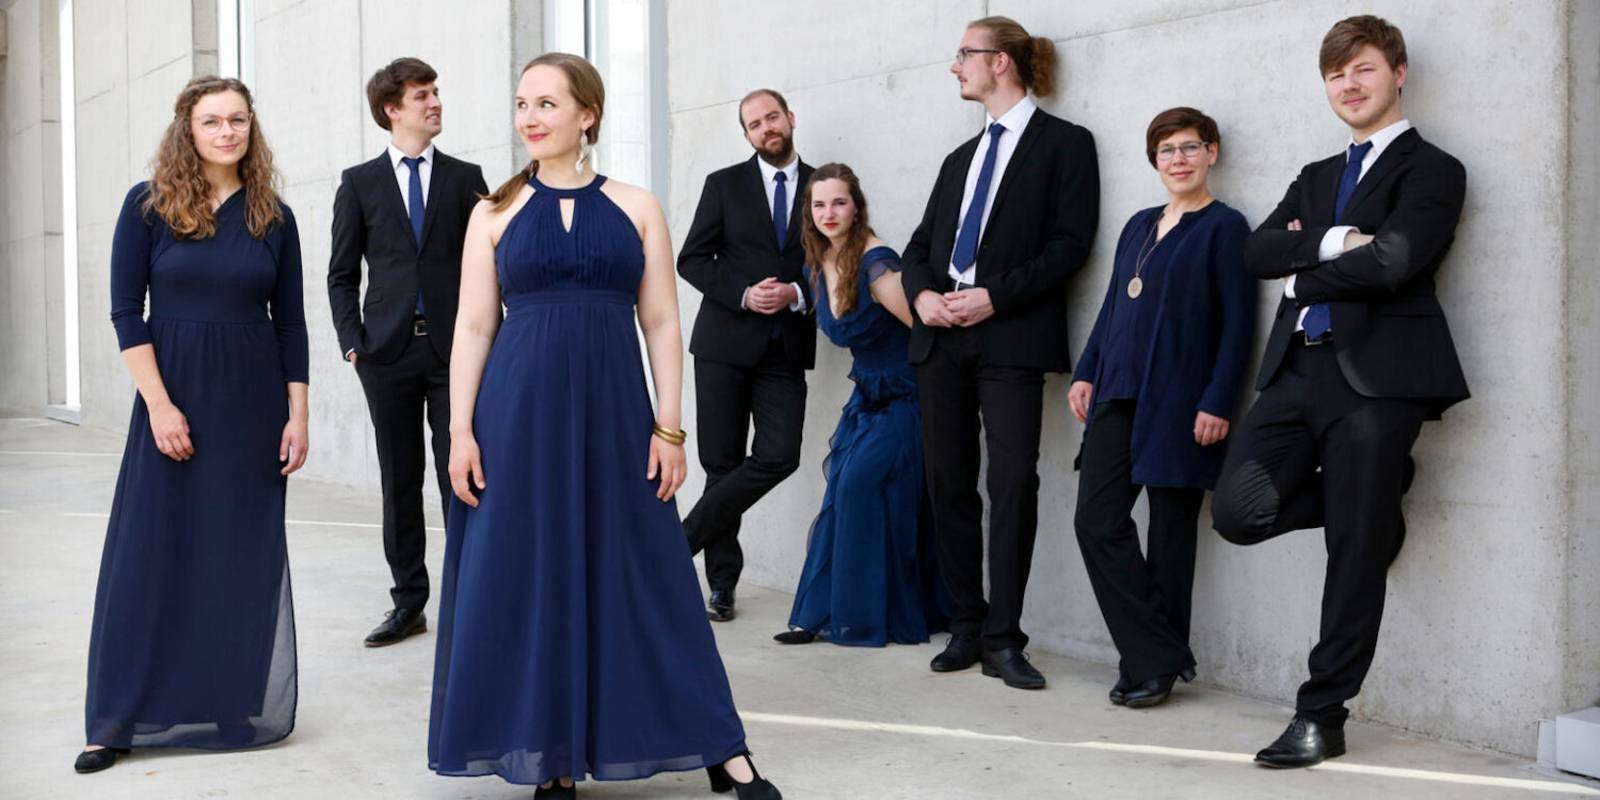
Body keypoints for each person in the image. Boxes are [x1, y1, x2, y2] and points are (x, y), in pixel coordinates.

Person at [426, 53, 781, 799]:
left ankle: (723, 747)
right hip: (516, 419)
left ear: (586, 114)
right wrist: (460, 431)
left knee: (653, 577)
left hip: (618, 417)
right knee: (529, 578)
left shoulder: (637, 205)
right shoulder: (492, 212)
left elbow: (662, 321)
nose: (529, 118)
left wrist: (669, 428)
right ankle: (551, 753)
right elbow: (473, 328)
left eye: (546, 104)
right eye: (522, 103)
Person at [1210, 15, 1470, 768]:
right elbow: (1256, 250)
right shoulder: (1317, 175)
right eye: (1335, 75)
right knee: (1237, 513)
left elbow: (1394, 260)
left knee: (1354, 549)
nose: (1348, 86)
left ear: (1398, 73)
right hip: (1297, 369)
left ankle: (1321, 714)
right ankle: (1383, 497)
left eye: (1362, 69)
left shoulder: (1433, 169)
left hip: (1378, 381)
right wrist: (1330, 242)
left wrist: (1302, 275)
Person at [78, 76, 307, 774]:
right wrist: (158, 404)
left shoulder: (273, 216)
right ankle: (114, 720)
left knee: (238, 554)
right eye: (212, 121)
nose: (227, 132)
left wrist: (298, 415)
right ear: (188, 128)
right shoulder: (147, 207)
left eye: (238, 119)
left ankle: (231, 704)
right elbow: (127, 312)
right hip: (173, 398)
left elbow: (291, 324)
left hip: (252, 407)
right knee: (149, 554)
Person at [901, 15, 1100, 690]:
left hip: (1010, 336)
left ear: (1001, 62)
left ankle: (1004, 638)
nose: (955, 66)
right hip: (941, 339)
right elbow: (918, 247)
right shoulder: (959, 158)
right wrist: (923, 297)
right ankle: (966, 624)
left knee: (1013, 482)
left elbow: (1070, 246)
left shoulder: (1066, 144)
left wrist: (994, 297)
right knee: (947, 482)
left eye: (965, 53)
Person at [1068, 107, 1255, 708]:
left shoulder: (1226, 227)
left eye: (1190, 147)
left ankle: (1151, 669)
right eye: (1167, 150)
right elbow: (1111, 308)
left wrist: (1218, 401)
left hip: (1182, 402)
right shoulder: (1138, 226)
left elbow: (1238, 325)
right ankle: (1159, 653)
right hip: (1117, 391)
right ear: (1155, 160)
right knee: (1096, 521)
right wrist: (1087, 371)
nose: (1179, 159)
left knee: (1171, 537)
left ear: (1211, 153)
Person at [327, 57, 488, 647]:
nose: (435, 102)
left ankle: (471, 600)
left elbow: (487, 267)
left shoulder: (466, 177)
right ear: (392, 109)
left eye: (436, 91)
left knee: (461, 475)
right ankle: (409, 604)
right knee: (400, 480)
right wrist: (354, 344)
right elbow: (341, 274)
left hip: (455, 354)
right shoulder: (359, 183)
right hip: (386, 353)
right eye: (423, 95)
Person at [774, 164, 950, 647]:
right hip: (867, 397)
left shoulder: (877, 263)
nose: (829, 213)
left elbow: (925, 330)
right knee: (841, 492)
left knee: (856, 487)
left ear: (857, 208)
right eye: (819, 204)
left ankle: (868, 617)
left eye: (839, 202)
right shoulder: (817, 265)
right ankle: (819, 616)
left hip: (906, 395)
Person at [677, 88, 816, 622]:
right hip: (723, 346)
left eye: (772, 117)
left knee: (780, 454)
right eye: (754, 124)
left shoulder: (822, 186)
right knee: (722, 465)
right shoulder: (724, 184)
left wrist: (797, 293)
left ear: (790, 118)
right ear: (746, 134)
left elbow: (838, 260)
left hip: (786, 347)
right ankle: (722, 586)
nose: (766, 129)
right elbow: (692, 259)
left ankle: (676, 543)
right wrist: (742, 293)